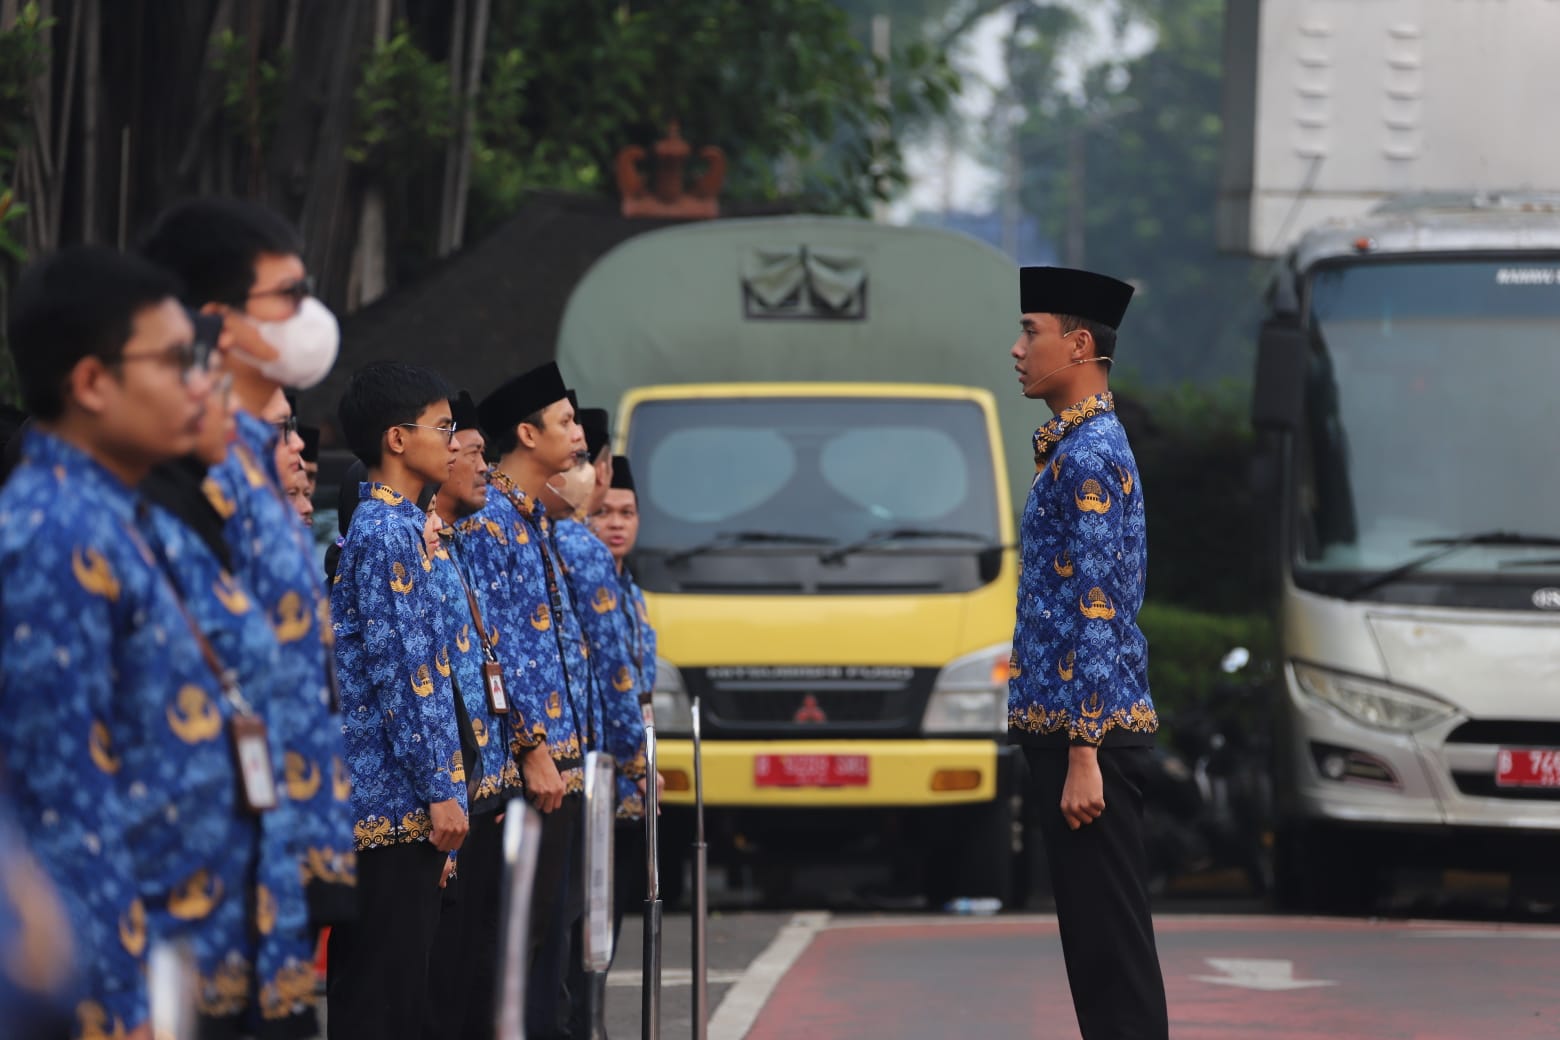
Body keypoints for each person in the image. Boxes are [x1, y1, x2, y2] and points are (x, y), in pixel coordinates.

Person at [0, 246, 249, 1039]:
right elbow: (62, 799)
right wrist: (118, 1000)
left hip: (172, 957)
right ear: (91, 383)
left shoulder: (121, 519)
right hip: (109, 982)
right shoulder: (55, 536)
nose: (200, 382)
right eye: (176, 360)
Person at [140, 198, 356, 927]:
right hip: (210, 870)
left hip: (281, 848)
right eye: (288, 296)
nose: (309, 316)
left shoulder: (252, 469)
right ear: (216, 319)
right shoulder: (186, 475)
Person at [1007, 266, 1168, 1040]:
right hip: (1073, 731)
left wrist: (1083, 750)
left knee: (1113, 961)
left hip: (1089, 737)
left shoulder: (1090, 454)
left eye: (1030, 331)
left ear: (1078, 344)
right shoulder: (1075, 447)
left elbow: (1099, 606)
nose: (1016, 348)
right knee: (1096, 954)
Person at [139, 362, 319, 1036]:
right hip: (167, 898)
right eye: (279, 430)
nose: (297, 447)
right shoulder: (95, 526)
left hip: (259, 862)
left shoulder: (226, 518)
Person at [328, 362, 470, 1040]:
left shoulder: (400, 525)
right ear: (395, 437)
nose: (453, 442)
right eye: (443, 428)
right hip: (394, 802)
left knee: (388, 989)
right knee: (385, 999)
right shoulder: (386, 532)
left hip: (401, 798)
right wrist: (440, 789)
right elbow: (407, 677)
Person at [467, 361, 587, 1040]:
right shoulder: (491, 522)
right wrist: (533, 750)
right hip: (524, 773)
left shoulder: (530, 519)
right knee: (513, 943)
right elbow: (496, 650)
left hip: (559, 767)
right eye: (566, 422)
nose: (577, 435)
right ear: (526, 432)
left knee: (548, 937)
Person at [424, 390, 524, 1040]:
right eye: (474, 449)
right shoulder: (401, 542)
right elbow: (416, 682)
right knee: (435, 978)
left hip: (484, 783)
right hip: (443, 795)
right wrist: (441, 789)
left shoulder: (456, 541)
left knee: (478, 968)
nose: (486, 465)